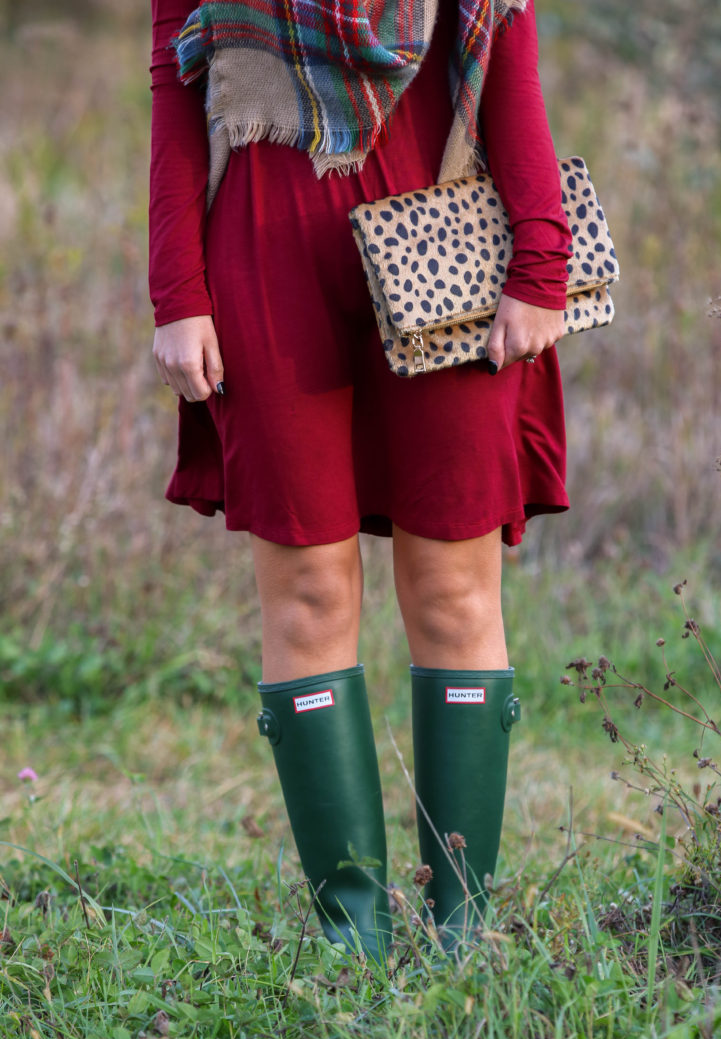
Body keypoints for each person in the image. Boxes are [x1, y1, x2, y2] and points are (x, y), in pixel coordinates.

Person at [149, 0, 571, 960]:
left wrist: (541, 264)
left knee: (457, 592)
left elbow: (509, 55)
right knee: (305, 592)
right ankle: (354, 934)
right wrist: (177, 293)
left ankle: (459, 927)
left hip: (448, 239)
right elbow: (178, 98)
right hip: (265, 259)